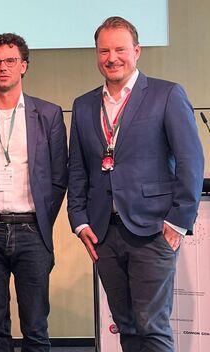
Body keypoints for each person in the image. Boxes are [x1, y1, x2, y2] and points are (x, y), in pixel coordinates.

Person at [68, 17, 204, 352]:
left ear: (137, 51)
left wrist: (177, 223)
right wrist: (80, 221)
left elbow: (191, 162)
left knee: (152, 327)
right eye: (104, 50)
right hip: (103, 233)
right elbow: (77, 170)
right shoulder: (84, 105)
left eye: (120, 49)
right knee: (126, 327)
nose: (111, 57)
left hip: (153, 231)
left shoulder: (166, 94)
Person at [0, 33, 67, 352]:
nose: (3, 68)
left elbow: (59, 177)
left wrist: (43, 216)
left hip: (32, 230)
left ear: (24, 66)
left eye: (10, 61)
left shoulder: (47, 114)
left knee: (35, 327)